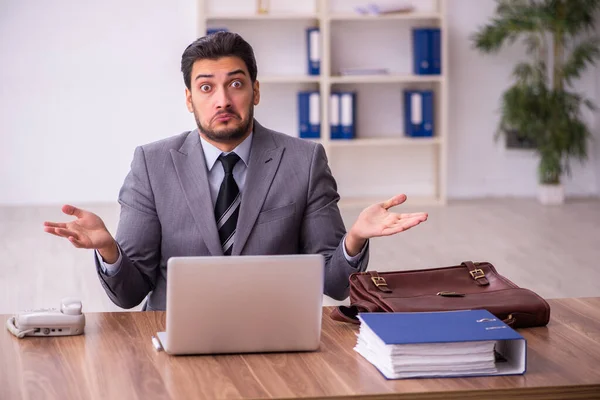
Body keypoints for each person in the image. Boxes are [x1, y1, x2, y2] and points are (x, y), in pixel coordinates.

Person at [43, 32, 428, 311]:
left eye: (236, 84)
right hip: (174, 332)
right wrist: (109, 250)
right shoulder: (152, 163)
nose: (223, 100)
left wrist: (355, 238)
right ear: (189, 100)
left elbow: (333, 285)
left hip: (278, 330)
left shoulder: (304, 160)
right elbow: (130, 295)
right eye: (207, 88)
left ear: (255, 92)